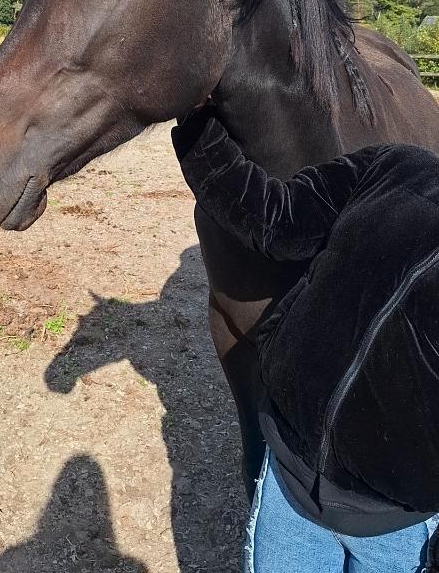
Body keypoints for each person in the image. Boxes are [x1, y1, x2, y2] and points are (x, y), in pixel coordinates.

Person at [171, 106, 439, 573]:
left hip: (401, 532)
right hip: (289, 486)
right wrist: (194, 123)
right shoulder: (396, 167)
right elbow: (277, 219)